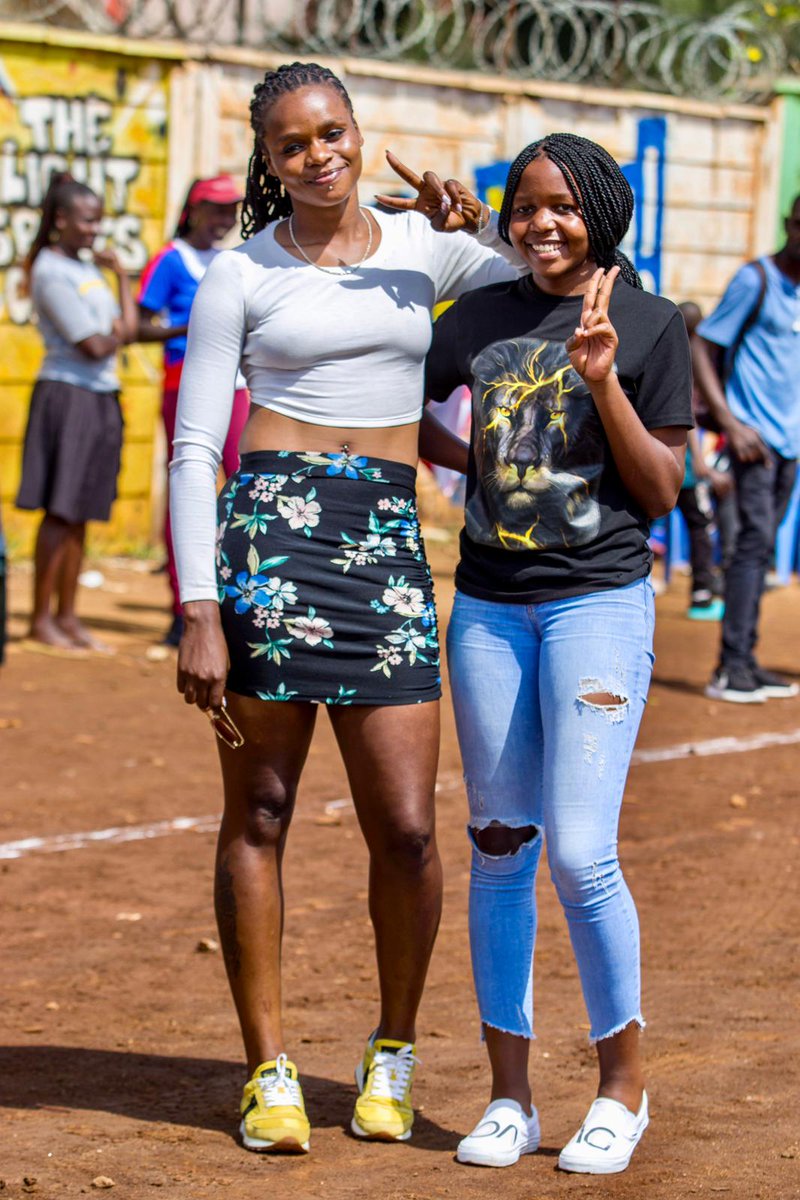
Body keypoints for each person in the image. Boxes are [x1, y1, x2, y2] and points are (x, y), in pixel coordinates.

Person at [169, 61, 526, 1155]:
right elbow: (193, 449)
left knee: (408, 829)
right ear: (267, 163)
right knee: (262, 813)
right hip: (270, 538)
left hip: (384, 540)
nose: (318, 155)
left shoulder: (428, 248)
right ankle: (266, 1068)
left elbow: (553, 263)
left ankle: (393, 1050)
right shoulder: (241, 273)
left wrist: (479, 213)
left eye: (332, 133)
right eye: (292, 144)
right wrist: (197, 606)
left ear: (361, 131)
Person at [423, 133, 692, 1174]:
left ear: (602, 213)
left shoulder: (647, 322)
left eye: (565, 206)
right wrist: (474, 461)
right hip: (487, 608)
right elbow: (397, 403)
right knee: (498, 846)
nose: (543, 223)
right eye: (526, 205)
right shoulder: (476, 319)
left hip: (596, 607)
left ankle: (621, 1090)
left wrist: (602, 380)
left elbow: (661, 490)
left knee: (580, 853)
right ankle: (507, 1097)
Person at [16, 173, 137, 651]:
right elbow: (95, 344)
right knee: (60, 510)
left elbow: (120, 332)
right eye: (86, 221)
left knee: (83, 510)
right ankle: (40, 619)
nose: (93, 231)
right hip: (68, 396)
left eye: (98, 222)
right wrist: (124, 302)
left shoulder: (86, 269)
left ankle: (68, 617)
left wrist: (123, 304)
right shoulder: (50, 270)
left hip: (100, 395)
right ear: (61, 219)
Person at [692, 195, 800, 702]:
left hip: (790, 445)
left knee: (762, 547)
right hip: (754, 440)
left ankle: (747, 662)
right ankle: (730, 667)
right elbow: (702, 346)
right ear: (787, 224)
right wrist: (732, 423)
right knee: (751, 546)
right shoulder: (755, 281)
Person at [137, 175, 250, 647]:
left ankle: (247, 599)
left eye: (231, 210)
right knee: (191, 481)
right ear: (193, 210)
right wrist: (202, 322)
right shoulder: (170, 258)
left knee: (246, 485)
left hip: (240, 385)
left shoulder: (236, 259)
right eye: (216, 210)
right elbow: (142, 325)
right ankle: (181, 607)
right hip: (184, 382)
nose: (224, 219)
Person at [676, 301, 731, 620]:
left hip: (656, 462)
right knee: (700, 525)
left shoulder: (661, 349)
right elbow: (689, 419)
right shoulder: (692, 359)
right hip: (683, 465)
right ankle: (701, 594)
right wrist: (700, 462)